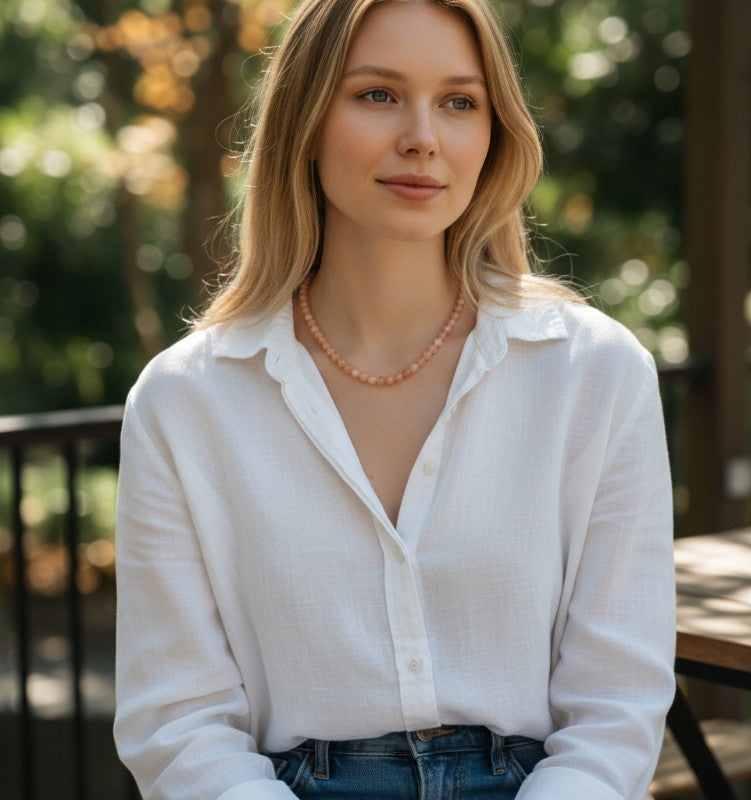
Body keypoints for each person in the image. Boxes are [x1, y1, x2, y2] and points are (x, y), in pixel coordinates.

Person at [113, 1, 676, 799]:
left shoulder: (595, 373)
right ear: (305, 122)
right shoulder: (183, 402)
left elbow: (617, 707)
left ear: (494, 134)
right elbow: (176, 723)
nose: (423, 136)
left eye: (459, 101)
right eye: (377, 94)